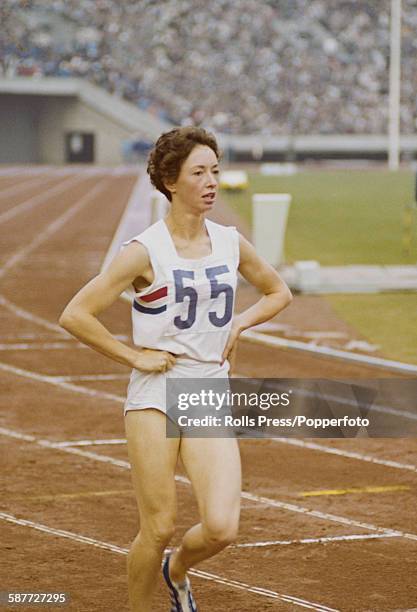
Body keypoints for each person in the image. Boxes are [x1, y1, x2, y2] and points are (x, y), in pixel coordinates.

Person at [59, 126, 292, 612]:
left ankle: (178, 570)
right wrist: (134, 356)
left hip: (208, 389)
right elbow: (76, 314)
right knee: (159, 525)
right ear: (170, 180)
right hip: (155, 392)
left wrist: (239, 325)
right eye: (199, 173)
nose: (211, 182)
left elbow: (278, 291)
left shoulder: (229, 241)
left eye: (215, 171)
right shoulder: (144, 250)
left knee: (223, 527)